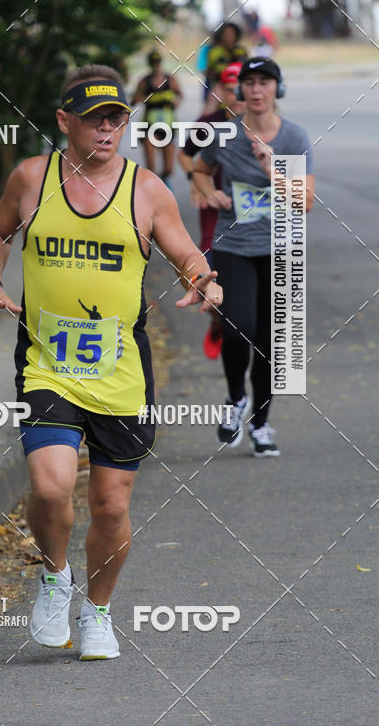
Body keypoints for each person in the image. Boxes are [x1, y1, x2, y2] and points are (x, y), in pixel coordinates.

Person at [0, 64, 221, 660]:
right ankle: (56, 578)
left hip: (120, 370)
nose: (107, 130)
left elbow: (185, 251)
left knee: (110, 505)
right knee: (51, 487)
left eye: (117, 119)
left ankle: (98, 610)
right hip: (46, 361)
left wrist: (205, 280)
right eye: (94, 120)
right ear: (65, 122)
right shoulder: (32, 179)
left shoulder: (146, 191)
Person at [192, 57, 315, 457]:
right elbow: (199, 169)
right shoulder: (225, 135)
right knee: (236, 326)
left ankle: (261, 425)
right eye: (250, 82)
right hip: (233, 245)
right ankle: (234, 400)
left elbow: (305, 201)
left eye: (265, 82)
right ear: (240, 90)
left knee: (269, 342)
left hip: (280, 247)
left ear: (277, 89)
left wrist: (272, 169)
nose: (257, 90)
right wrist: (209, 192)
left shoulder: (293, 139)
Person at [178, 62, 246, 359]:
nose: (236, 96)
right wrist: (195, 179)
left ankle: (236, 327)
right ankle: (217, 322)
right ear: (220, 91)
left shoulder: (261, 124)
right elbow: (184, 155)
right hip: (214, 208)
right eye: (230, 90)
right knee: (213, 274)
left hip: (250, 214)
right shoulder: (208, 123)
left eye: (239, 89)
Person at [132, 50, 183, 186]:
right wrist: (147, 98)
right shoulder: (144, 81)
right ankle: (154, 188)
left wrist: (176, 101)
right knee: (151, 166)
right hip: (149, 125)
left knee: (169, 168)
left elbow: (180, 95)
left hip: (168, 124)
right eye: (153, 63)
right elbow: (134, 100)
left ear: (161, 63)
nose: (156, 66)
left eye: (158, 62)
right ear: (150, 64)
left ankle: (163, 182)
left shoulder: (170, 79)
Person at [205, 22, 248, 91]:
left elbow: (245, 69)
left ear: (236, 36)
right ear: (220, 36)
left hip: (236, 89)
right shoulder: (214, 52)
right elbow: (208, 71)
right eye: (226, 34)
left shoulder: (241, 51)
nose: (229, 37)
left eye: (232, 34)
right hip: (218, 88)